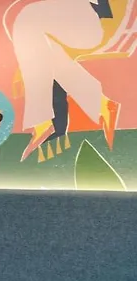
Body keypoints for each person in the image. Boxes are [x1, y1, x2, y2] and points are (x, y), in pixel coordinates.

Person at [7, 0, 120, 162]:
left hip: (89, 24)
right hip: (70, 21)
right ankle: (101, 106)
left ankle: (44, 119)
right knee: (47, 53)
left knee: (27, 20)